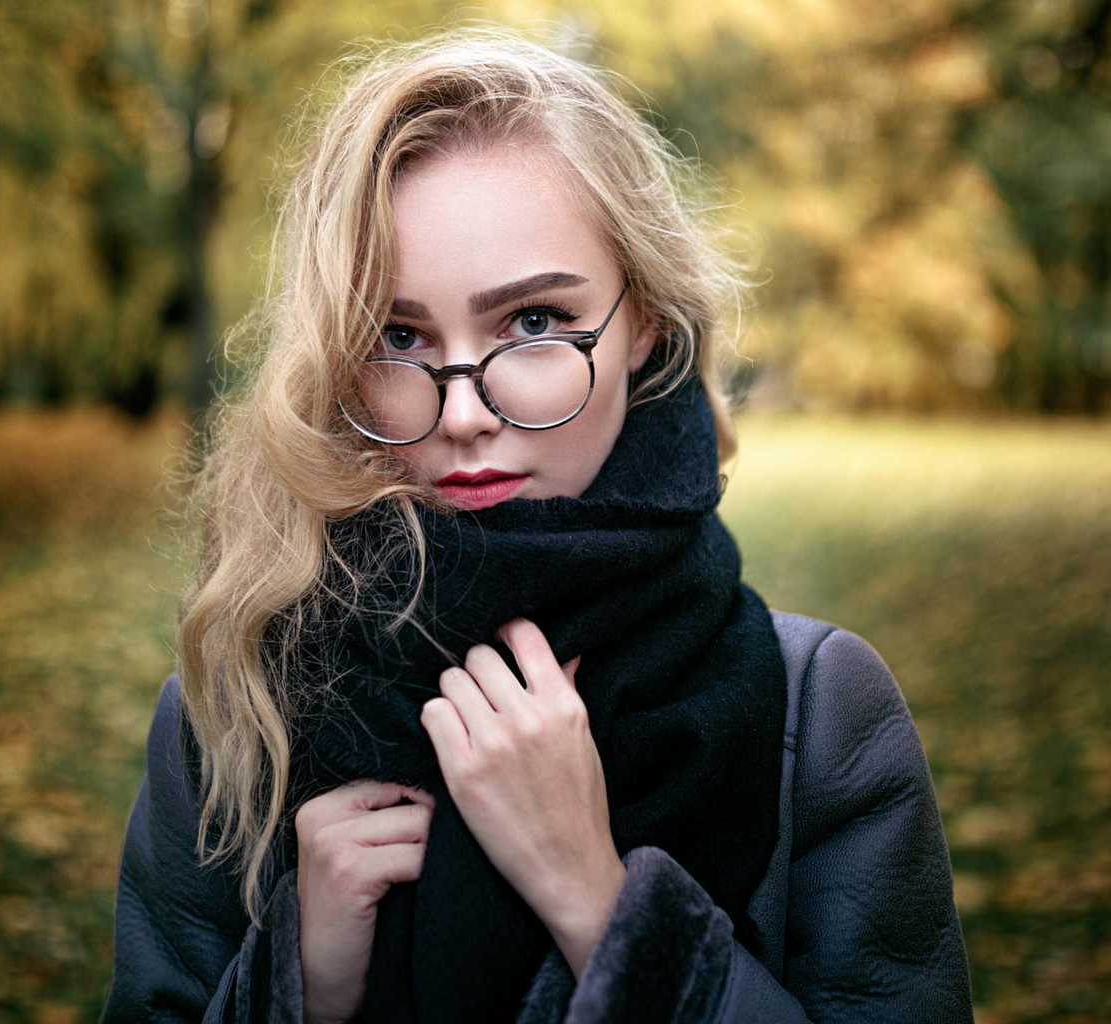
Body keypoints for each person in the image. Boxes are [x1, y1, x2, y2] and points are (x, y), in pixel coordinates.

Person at [102, 27, 973, 1024]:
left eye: (531, 324)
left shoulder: (816, 715)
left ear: (641, 321)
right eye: (397, 335)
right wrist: (293, 984)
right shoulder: (232, 714)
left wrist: (603, 910)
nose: (464, 412)